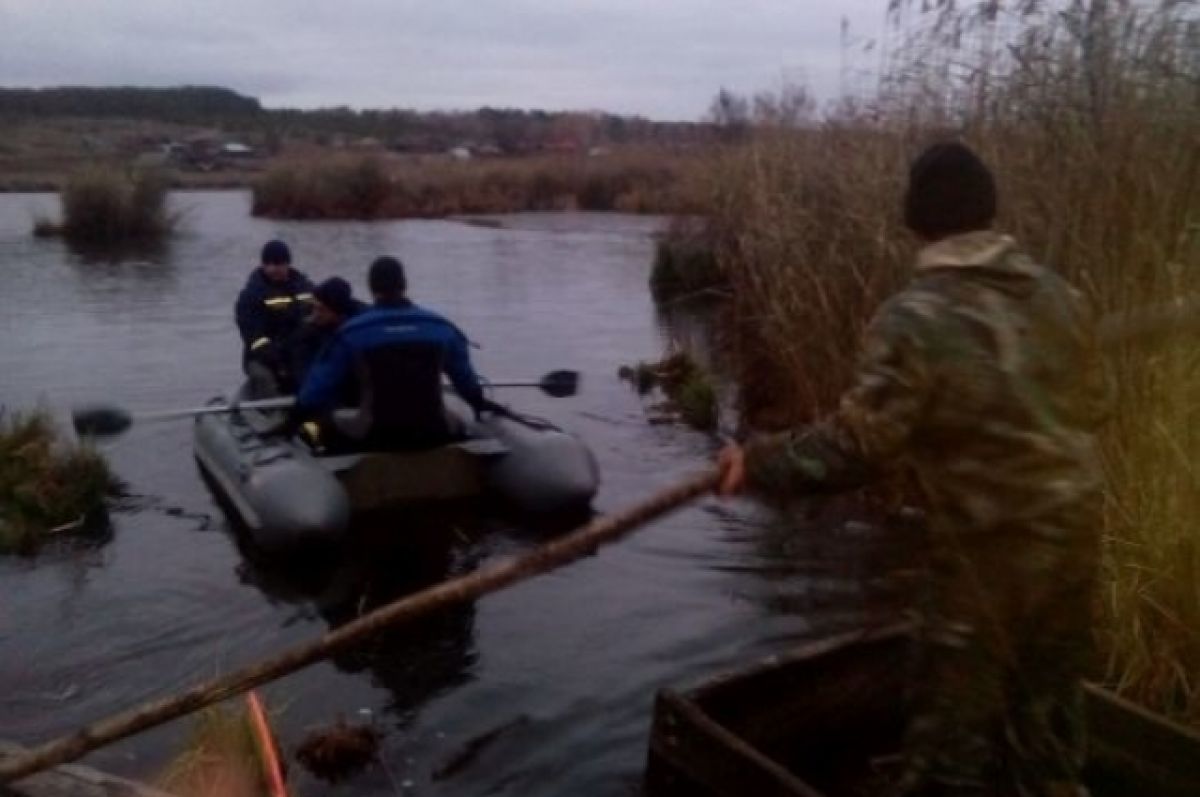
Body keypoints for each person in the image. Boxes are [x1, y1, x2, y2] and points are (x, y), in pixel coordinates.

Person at [714, 142, 1109, 796]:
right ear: (990, 209)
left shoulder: (914, 317)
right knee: (1047, 723)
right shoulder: (1061, 296)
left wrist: (754, 463)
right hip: (1075, 542)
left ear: (915, 220)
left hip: (987, 558)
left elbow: (856, 447)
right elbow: (1099, 404)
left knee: (948, 743)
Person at [282, 255, 495, 451]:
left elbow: (317, 388)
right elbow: (466, 380)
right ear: (404, 285)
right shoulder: (440, 327)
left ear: (372, 288)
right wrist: (478, 403)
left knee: (325, 421)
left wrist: (293, 418)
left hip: (374, 434)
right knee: (458, 419)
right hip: (433, 431)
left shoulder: (352, 333)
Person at [234, 239, 315, 396]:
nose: (274, 268)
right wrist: (280, 363)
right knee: (265, 378)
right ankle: (272, 413)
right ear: (263, 265)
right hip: (261, 359)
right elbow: (254, 338)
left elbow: (325, 308)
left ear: (287, 264)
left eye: (279, 263)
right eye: (269, 263)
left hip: (299, 354)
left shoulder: (305, 287)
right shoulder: (251, 296)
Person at [288, 276, 368, 387]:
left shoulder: (364, 326)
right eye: (314, 307)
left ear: (338, 313)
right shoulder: (306, 334)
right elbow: (304, 376)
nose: (315, 314)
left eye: (321, 309)